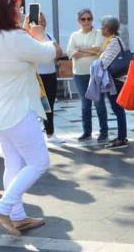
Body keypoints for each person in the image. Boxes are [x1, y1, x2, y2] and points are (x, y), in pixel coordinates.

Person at [0, 0, 60, 236]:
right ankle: (3, 209)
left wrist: (27, 35)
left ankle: (17, 216)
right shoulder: (16, 38)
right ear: (10, 12)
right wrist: (40, 35)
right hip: (18, 111)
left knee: (13, 163)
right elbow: (52, 53)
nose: (22, 13)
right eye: (18, 8)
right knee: (39, 162)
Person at [66, 9, 108, 142]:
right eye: (83, 19)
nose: (86, 22)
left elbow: (98, 49)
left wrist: (80, 50)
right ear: (79, 21)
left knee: (99, 103)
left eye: (89, 19)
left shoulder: (98, 33)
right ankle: (87, 132)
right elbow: (70, 53)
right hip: (79, 74)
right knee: (85, 105)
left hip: (95, 74)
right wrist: (89, 51)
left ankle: (104, 132)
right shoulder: (74, 35)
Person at [98, 16, 128, 148]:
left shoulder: (114, 41)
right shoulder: (110, 41)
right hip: (113, 79)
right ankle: (121, 136)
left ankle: (122, 137)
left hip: (115, 80)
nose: (101, 28)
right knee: (117, 109)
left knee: (118, 109)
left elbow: (104, 62)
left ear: (107, 28)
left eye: (102, 26)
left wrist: (96, 63)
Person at [36, 13, 63, 144]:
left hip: (50, 74)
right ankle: (36, 133)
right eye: (39, 21)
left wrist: (50, 46)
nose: (42, 23)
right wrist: (49, 50)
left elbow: (59, 53)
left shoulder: (49, 36)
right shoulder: (30, 37)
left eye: (44, 20)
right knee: (36, 106)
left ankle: (50, 133)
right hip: (36, 76)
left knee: (49, 105)